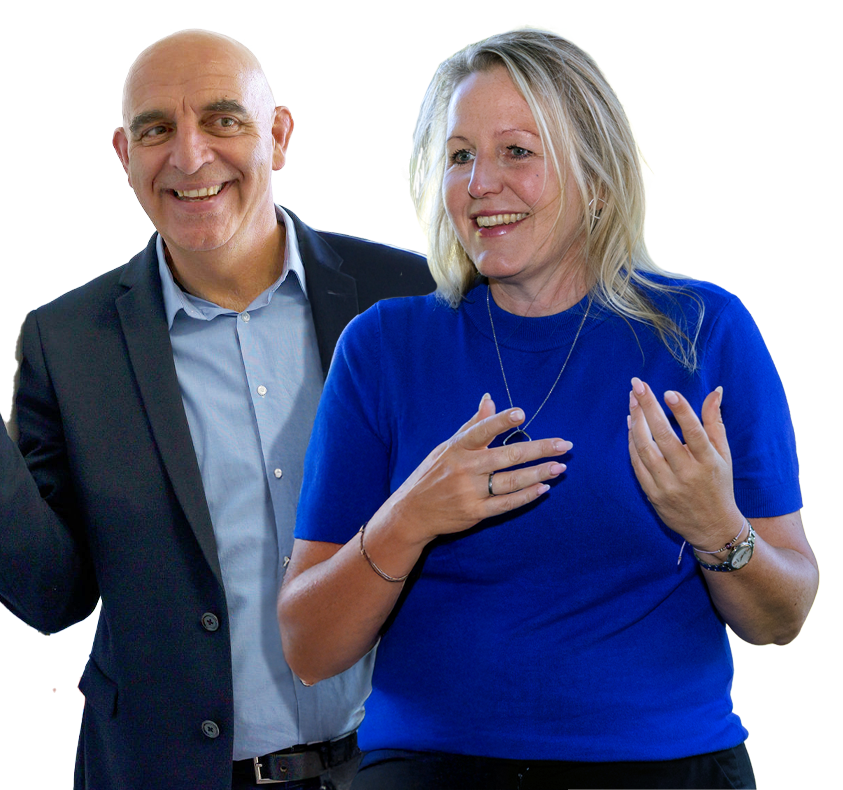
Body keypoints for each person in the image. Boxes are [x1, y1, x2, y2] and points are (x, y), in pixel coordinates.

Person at [0, 28, 435, 790]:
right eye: (154, 131)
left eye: (222, 120)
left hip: (400, 767)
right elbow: (51, 594)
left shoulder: (408, 295)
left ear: (279, 136)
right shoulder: (68, 341)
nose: (189, 155)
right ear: (124, 154)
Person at [278, 26, 818, 790]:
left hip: (667, 766)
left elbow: (781, 620)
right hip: (431, 767)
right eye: (459, 156)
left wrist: (717, 530)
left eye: (517, 152)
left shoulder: (704, 331)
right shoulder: (383, 348)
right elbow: (308, 649)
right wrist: (410, 517)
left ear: (595, 176)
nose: (480, 183)